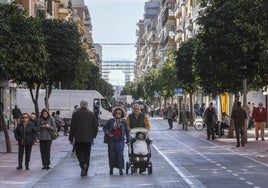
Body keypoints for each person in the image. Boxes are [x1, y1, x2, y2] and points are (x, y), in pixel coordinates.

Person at [69, 100, 99, 177]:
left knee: (79, 152)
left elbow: (72, 126)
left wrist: (71, 138)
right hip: (88, 138)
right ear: (87, 105)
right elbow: (95, 126)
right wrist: (94, 135)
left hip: (78, 138)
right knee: (87, 154)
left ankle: (82, 164)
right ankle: (85, 170)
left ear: (80, 105)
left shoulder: (75, 114)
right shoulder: (91, 114)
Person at [103, 106, 129, 176]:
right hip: (111, 140)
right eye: (116, 113)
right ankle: (111, 168)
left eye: (119, 113)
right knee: (111, 155)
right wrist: (109, 133)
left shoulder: (124, 122)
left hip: (120, 140)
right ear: (114, 113)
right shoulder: (110, 121)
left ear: (122, 114)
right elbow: (104, 128)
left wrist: (128, 140)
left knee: (120, 154)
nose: (118, 114)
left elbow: (127, 131)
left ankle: (120, 169)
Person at [126, 103, 150, 174]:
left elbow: (147, 126)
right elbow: (127, 125)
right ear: (133, 110)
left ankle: (142, 166)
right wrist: (130, 130)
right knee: (134, 150)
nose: (136, 110)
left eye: (137, 109)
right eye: (135, 109)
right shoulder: (129, 116)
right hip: (133, 135)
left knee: (142, 150)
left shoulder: (144, 116)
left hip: (142, 135)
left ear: (140, 109)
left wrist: (144, 132)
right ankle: (135, 166)